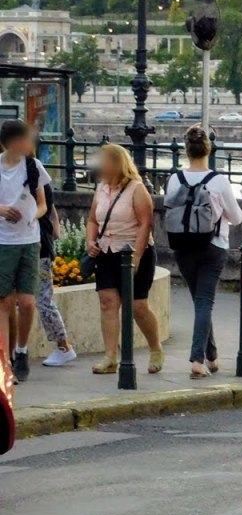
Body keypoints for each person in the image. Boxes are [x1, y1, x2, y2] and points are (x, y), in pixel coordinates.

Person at [165, 126, 242, 378]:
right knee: (204, 303)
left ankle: (211, 356)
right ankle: (197, 361)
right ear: (208, 150)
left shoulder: (175, 179)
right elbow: (237, 217)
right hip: (213, 246)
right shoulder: (218, 181)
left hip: (182, 246)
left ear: (186, 151)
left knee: (199, 301)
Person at [85, 143, 164, 375]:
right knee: (107, 302)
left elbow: (145, 224)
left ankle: (155, 349)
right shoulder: (100, 188)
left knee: (138, 306)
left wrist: (136, 257)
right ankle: (110, 356)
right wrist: (90, 242)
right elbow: (92, 220)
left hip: (133, 251)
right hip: (106, 251)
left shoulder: (136, 189)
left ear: (118, 163)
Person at [0, 120, 49, 389]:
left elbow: (42, 204)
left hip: (29, 239)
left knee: (28, 302)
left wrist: (34, 215)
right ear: (10, 142)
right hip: (3, 240)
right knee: (4, 304)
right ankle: (5, 361)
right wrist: (3, 210)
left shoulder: (32, 166)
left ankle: (21, 349)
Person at [31, 140, 75, 368]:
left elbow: (44, 205)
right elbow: (51, 205)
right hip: (38, 241)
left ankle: (64, 345)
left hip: (36, 244)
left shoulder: (31, 169)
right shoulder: (33, 168)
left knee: (42, 298)